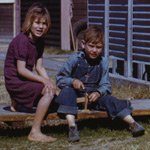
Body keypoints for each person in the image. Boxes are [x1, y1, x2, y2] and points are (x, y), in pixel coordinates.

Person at [56, 25, 145, 142]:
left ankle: (133, 123)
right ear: (83, 44)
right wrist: (72, 81)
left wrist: (98, 92)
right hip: (75, 98)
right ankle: (72, 127)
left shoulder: (103, 62)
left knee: (111, 100)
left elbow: (106, 85)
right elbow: (60, 78)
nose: (94, 50)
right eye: (91, 46)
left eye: (98, 47)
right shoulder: (74, 59)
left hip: (94, 98)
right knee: (67, 92)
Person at [4, 3, 57, 143]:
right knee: (48, 93)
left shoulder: (40, 41)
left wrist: (50, 82)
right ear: (30, 22)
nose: (41, 27)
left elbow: (40, 67)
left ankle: (15, 105)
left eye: (44, 23)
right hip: (15, 81)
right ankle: (35, 131)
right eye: (37, 22)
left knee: (52, 92)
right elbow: (21, 70)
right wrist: (44, 83)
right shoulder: (22, 41)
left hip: (22, 79)